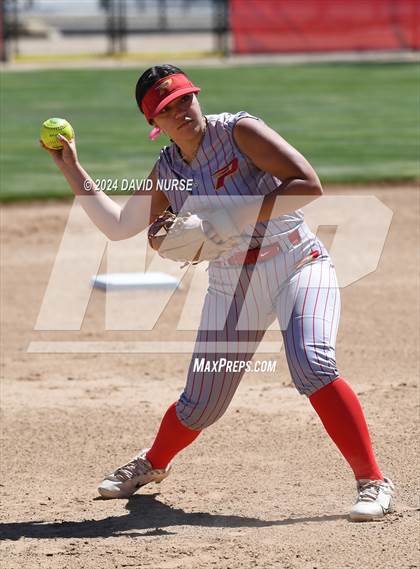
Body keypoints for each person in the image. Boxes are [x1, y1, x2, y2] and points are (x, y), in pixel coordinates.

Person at [41, 64, 394, 522]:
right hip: (233, 284)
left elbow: (307, 183)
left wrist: (229, 218)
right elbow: (118, 225)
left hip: (296, 262)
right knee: (201, 402)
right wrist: (73, 168)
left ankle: (373, 481)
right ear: (154, 124)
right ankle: (153, 463)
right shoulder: (168, 169)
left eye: (185, 98)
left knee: (313, 363)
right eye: (167, 108)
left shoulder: (239, 131)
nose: (182, 110)